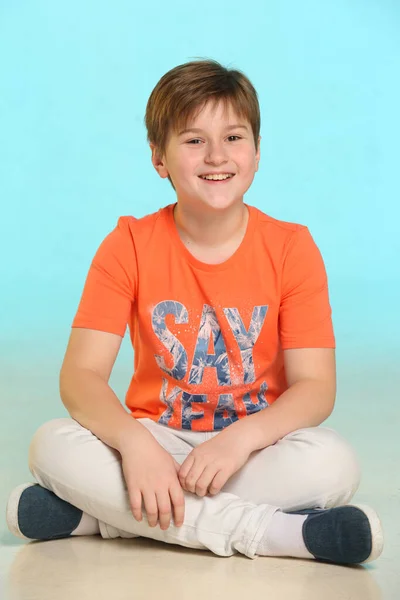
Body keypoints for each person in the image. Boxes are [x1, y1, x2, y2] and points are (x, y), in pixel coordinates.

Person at [6, 59, 384, 564]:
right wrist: (136, 447)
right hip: (154, 439)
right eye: (193, 140)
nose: (216, 156)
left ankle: (104, 519)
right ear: (159, 158)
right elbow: (80, 375)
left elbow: (316, 387)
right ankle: (276, 535)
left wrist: (239, 441)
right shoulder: (129, 245)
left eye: (233, 137)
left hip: (250, 451)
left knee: (334, 463)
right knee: (49, 444)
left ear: (256, 152)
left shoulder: (292, 248)